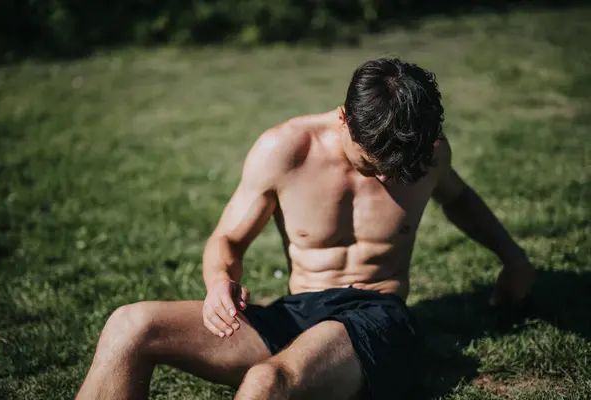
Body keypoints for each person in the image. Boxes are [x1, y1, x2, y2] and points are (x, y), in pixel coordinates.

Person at [76, 58, 534, 400]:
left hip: (377, 315)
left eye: (401, 165)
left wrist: (513, 259)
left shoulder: (425, 153)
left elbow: (459, 199)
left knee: (266, 381)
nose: (388, 176)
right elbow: (228, 239)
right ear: (343, 119)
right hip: (296, 312)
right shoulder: (286, 149)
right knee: (129, 325)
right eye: (372, 163)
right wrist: (218, 283)